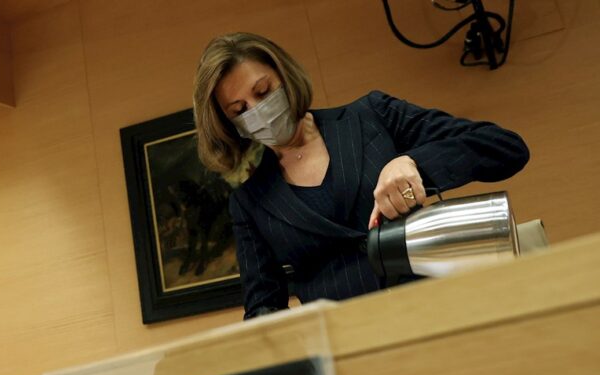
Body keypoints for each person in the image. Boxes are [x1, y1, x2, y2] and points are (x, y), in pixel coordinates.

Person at [193, 32, 529, 319]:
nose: (258, 111)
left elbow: (504, 147)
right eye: (240, 111)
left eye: (264, 92)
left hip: (445, 311)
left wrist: (412, 163)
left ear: (284, 76)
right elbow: (264, 310)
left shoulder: (371, 116)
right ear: (229, 125)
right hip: (354, 352)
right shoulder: (250, 201)